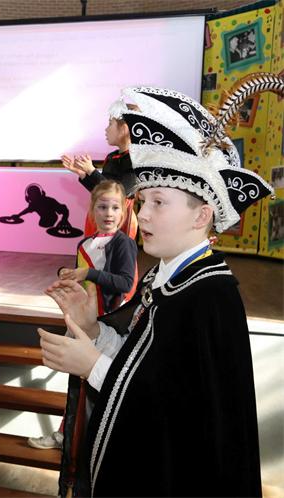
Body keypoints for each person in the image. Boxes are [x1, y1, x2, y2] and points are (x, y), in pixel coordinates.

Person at [38, 85, 271, 497]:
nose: (141, 214)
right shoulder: (161, 279)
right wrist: (94, 330)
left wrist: (93, 365)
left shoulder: (210, 297)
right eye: (142, 201)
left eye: (158, 203)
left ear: (201, 215)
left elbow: (178, 413)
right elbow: (143, 360)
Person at [28, 180, 137, 451]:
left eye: (115, 207)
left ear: (123, 212)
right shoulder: (85, 243)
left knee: (96, 389)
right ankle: (68, 437)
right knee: (77, 387)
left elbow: (125, 283)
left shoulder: (123, 243)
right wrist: (67, 275)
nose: (109, 213)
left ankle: (88, 442)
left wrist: (88, 273)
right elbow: (84, 279)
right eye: (102, 207)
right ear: (92, 210)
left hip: (106, 328)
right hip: (84, 323)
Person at [61, 99, 139, 239]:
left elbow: (120, 192)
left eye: (110, 124)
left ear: (124, 128)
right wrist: (83, 174)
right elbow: (101, 190)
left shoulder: (136, 160)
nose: (106, 129)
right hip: (100, 214)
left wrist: (92, 171)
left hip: (119, 220)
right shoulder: (111, 157)